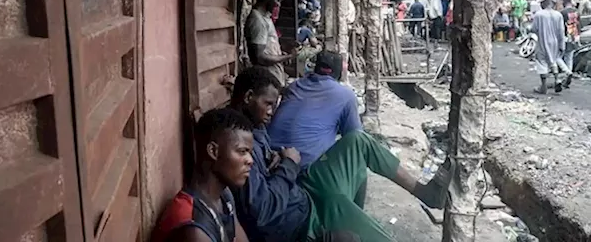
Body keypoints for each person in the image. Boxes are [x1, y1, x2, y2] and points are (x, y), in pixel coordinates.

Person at [229, 66, 453, 242]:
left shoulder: (257, 123)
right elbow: (262, 210)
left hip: (303, 186)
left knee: (358, 141)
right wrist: (288, 164)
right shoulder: (238, 142)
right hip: (307, 215)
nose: (272, 111)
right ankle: (346, 216)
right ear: (248, 97)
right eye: (268, 104)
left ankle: (426, 193)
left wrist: (278, 157)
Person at [152, 108, 254, 242]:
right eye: (242, 151)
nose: (250, 160)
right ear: (213, 151)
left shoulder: (224, 196)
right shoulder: (193, 228)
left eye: (250, 152)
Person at [268, 51, 361, 168]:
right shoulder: (346, 95)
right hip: (304, 167)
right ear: (340, 72)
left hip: (269, 157)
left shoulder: (295, 86)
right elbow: (355, 138)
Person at [245, 0, 296, 86]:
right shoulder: (258, 20)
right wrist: (287, 57)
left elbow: (267, 48)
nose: (279, 5)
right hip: (265, 80)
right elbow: (259, 57)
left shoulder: (266, 17)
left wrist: (280, 55)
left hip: (272, 78)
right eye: (278, 0)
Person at [531, 0, 570, 94]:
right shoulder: (558, 15)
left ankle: (543, 87)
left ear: (543, 4)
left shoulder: (539, 15)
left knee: (542, 61)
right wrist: (562, 45)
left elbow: (534, 29)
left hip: (543, 41)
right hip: (555, 42)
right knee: (553, 60)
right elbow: (561, 31)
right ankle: (557, 79)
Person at [560, 0, 581, 86]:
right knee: (569, 57)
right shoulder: (576, 11)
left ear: (564, 2)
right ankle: (568, 75)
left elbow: (560, 27)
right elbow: (579, 24)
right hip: (574, 36)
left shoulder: (563, 12)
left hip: (565, 37)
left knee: (559, 57)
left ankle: (566, 73)